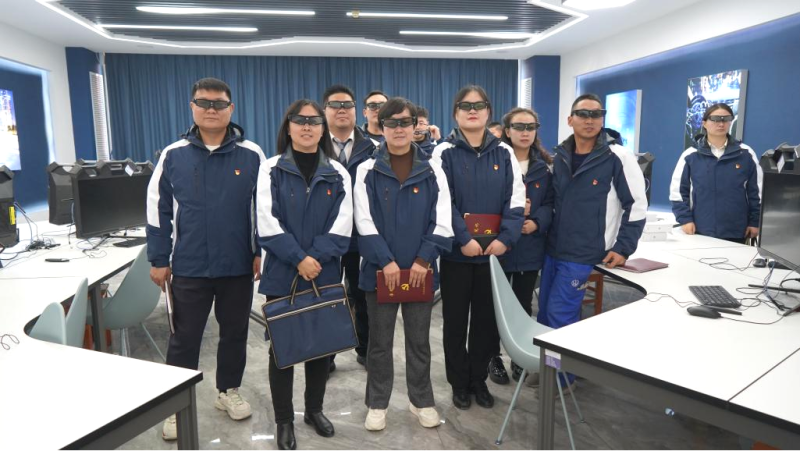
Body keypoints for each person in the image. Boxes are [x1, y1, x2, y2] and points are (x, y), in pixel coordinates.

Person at [146, 77, 264, 441]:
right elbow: (157, 209)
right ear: (192, 107)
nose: (211, 109)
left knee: (235, 333)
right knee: (184, 338)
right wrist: (158, 257)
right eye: (204, 103)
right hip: (189, 265)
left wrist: (260, 250)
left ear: (231, 108)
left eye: (219, 103)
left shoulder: (251, 154)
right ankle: (174, 405)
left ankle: (228, 390)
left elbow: (263, 209)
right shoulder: (173, 155)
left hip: (237, 264)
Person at [256, 99, 353, 450]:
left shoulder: (338, 172)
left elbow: (343, 225)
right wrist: (299, 258)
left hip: (324, 272)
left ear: (323, 128)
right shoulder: (270, 169)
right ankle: (284, 420)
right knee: (283, 349)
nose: (307, 126)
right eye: (300, 120)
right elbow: (266, 222)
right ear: (289, 126)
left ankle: (314, 410)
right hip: (284, 272)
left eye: (314, 121)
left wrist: (314, 258)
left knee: (320, 346)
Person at [354, 97, 454, 431]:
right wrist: (386, 261)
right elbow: (362, 220)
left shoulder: (433, 169)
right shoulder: (367, 170)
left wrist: (424, 259)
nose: (399, 129)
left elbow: (442, 220)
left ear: (415, 126)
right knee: (379, 344)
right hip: (379, 271)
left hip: (420, 272)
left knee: (419, 342)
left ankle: (421, 400)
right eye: (392, 123)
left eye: (405, 122)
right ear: (381, 127)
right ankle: (377, 403)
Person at [539, 93, 647, 391]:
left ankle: (562, 379)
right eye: (583, 114)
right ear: (570, 119)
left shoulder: (617, 156)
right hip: (554, 247)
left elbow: (636, 205)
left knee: (561, 315)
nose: (589, 120)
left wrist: (623, 247)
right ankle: (549, 369)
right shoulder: (560, 155)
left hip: (584, 252)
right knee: (545, 313)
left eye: (596, 114)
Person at [431, 85, 525, 410]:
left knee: (486, 323)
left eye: (479, 105)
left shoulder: (505, 152)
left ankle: (478, 380)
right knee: (455, 322)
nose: (473, 111)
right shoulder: (443, 152)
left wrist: (505, 239)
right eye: (466, 106)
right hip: (458, 255)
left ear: (488, 111)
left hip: (494, 255)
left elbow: (516, 201)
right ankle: (459, 383)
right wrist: (464, 239)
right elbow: (442, 202)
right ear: (455, 113)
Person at [322, 84, 377, 372]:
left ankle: (365, 350)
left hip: (361, 238)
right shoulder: (313, 145)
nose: (341, 109)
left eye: (347, 104)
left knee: (363, 295)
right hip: (326, 238)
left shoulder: (373, 148)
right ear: (325, 111)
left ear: (357, 111)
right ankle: (326, 356)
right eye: (335, 105)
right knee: (328, 297)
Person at [498, 107, 554, 382]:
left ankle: (519, 357)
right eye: (519, 127)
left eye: (530, 127)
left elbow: (551, 203)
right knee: (493, 307)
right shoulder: (496, 160)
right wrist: (513, 213)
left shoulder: (545, 167)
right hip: (500, 245)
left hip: (530, 246)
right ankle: (492, 357)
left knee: (522, 305)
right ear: (507, 131)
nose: (525, 132)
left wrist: (537, 222)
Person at [670, 103, 762, 243]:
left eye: (726, 119)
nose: (721, 124)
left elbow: (757, 192)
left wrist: (755, 221)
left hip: (737, 230)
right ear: (704, 123)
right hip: (699, 229)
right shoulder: (690, 155)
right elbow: (678, 192)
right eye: (715, 119)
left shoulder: (746, 153)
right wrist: (685, 219)